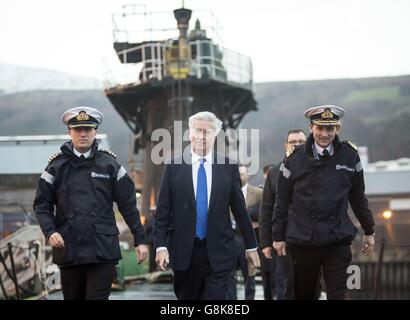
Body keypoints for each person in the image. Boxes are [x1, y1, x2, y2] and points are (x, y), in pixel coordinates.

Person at [33, 106, 148, 300]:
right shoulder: (55, 167)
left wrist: (140, 239)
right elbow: (41, 204)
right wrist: (50, 231)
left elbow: (128, 204)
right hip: (69, 249)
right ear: (69, 132)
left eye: (88, 129)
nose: (83, 134)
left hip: (102, 249)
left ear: (95, 132)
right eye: (78, 129)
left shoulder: (110, 165)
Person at [272, 105, 376, 300]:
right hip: (303, 240)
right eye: (320, 128)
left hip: (336, 238)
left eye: (330, 129)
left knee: (338, 294)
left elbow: (358, 197)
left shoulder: (350, 156)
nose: (324, 134)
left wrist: (369, 230)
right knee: (303, 295)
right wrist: (278, 236)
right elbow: (282, 200)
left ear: (338, 129)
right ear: (311, 127)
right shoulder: (294, 159)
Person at [154, 111, 260, 300]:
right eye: (198, 130)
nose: (202, 136)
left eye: (208, 131)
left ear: (215, 135)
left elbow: (240, 210)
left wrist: (251, 246)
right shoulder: (173, 167)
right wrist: (161, 246)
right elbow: (162, 213)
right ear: (190, 133)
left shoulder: (228, 167)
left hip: (219, 253)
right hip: (184, 253)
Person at [259, 129, 307, 300]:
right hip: (283, 239)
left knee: (310, 283)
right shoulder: (273, 174)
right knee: (285, 284)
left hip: (311, 238)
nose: (297, 145)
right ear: (286, 145)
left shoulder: (316, 168)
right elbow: (266, 209)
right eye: (293, 142)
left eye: (301, 141)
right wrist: (265, 243)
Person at [228, 165, 263, 300]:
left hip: (249, 240)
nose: (240, 177)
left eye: (242, 174)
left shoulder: (258, 193)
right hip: (231, 240)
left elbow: (264, 213)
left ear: (247, 175)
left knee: (250, 275)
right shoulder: (226, 191)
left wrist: (258, 224)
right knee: (229, 276)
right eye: (238, 174)